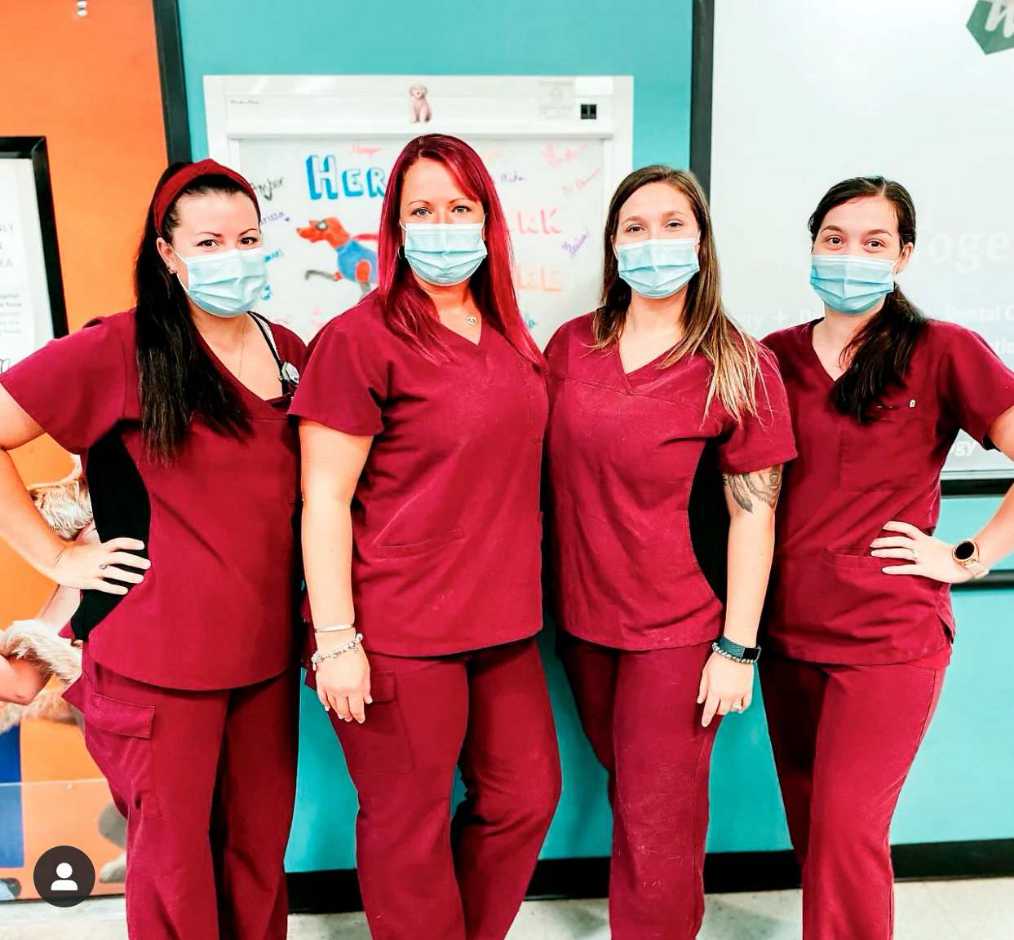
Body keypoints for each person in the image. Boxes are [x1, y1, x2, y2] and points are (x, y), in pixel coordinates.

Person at [0, 159, 307, 939]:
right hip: (159, 663)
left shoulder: (289, 350)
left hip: (265, 657)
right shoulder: (118, 349)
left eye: (247, 237)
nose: (233, 255)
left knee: (256, 858)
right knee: (175, 871)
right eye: (208, 241)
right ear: (167, 252)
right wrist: (57, 558)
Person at [291, 134, 561, 940]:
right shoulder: (360, 338)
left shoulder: (514, 337)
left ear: (488, 220)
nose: (443, 225)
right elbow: (323, 498)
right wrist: (336, 638)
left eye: (460, 208)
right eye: (422, 210)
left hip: (504, 624)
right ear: (396, 227)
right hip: (399, 630)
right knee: (406, 825)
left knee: (524, 799)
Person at [543, 165, 797, 939]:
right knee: (635, 792)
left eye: (673, 224)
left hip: (680, 632)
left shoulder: (738, 365)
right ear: (614, 247)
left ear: (702, 241)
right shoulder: (569, 347)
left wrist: (738, 648)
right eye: (636, 227)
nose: (655, 242)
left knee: (660, 818)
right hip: (582, 625)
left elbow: (754, 515)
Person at [761, 175, 1014, 939]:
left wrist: (969, 555)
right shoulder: (772, 357)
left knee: (844, 833)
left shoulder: (943, 352)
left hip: (888, 640)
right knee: (815, 832)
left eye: (874, 243)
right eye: (834, 240)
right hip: (787, 637)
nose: (850, 256)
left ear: (904, 254)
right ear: (811, 246)